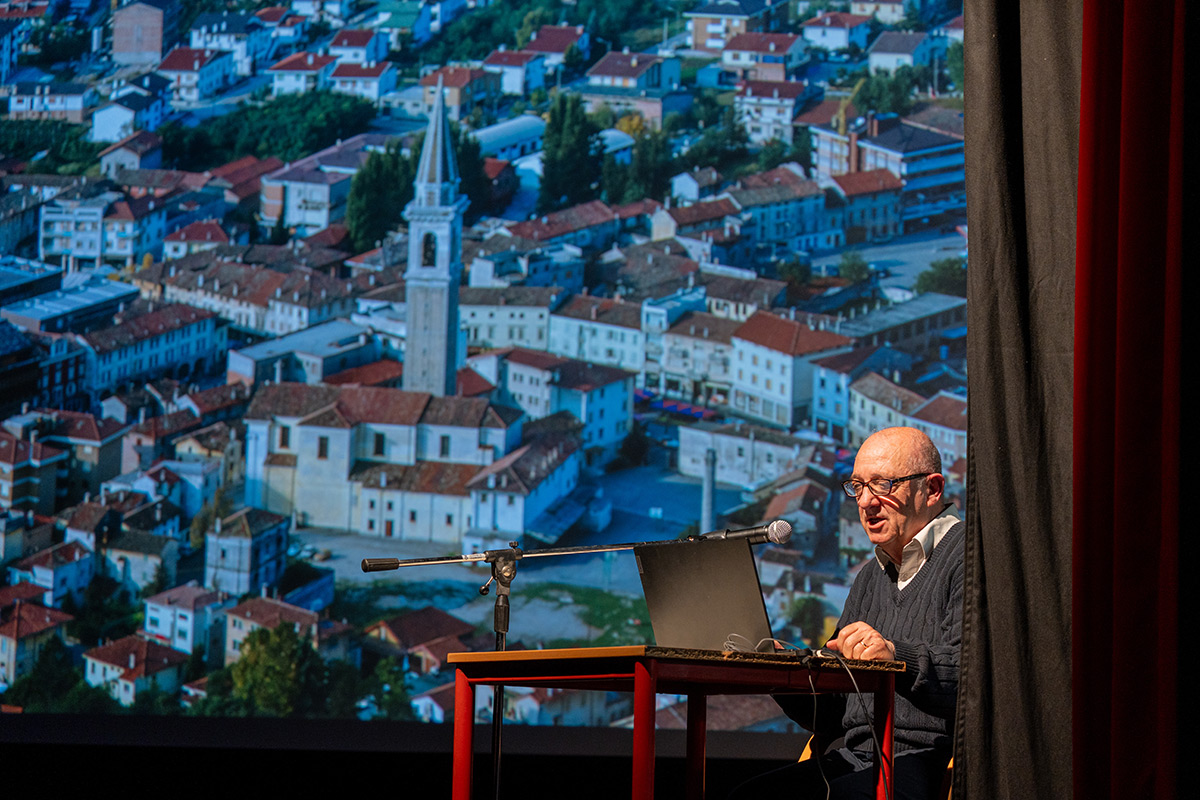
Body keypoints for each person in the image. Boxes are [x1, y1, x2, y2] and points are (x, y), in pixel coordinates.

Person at [729, 426, 964, 800]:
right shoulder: (869, 577)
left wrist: (893, 656)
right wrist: (778, 672)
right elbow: (833, 713)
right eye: (858, 486)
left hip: (932, 760)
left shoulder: (967, 556)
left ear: (932, 489)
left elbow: (976, 679)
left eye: (883, 485)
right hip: (859, 757)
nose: (866, 502)